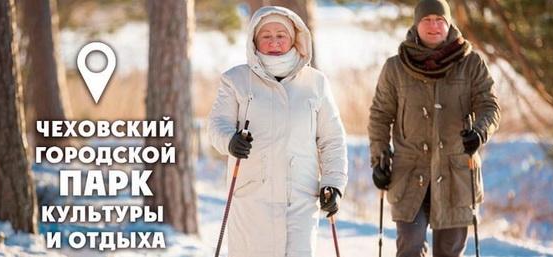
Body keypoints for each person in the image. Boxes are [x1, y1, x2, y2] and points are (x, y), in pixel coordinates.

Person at [207, 6, 348, 257]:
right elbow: (217, 125)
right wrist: (230, 141)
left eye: (281, 35)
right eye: (266, 35)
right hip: (252, 198)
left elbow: (332, 140)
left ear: (294, 38)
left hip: (300, 197)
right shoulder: (236, 79)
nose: (274, 42)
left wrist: (334, 185)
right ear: (254, 40)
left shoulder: (315, 83)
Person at [368, 0, 501, 256]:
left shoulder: (471, 63)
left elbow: (489, 106)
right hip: (408, 173)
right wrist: (379, 159)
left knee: (450, 251)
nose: (434, 25)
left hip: (456, 174)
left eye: (439, 20)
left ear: (448, 23)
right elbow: (380, 116)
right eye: (427, 20)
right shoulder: (395, 68)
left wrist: (480, 132)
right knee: (410, 246)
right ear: (416, 25)